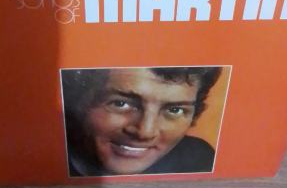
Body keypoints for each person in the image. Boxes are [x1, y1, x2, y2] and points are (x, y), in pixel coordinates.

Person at [62, 66, 222, 176]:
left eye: (174, 110)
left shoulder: (199, 158)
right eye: (120, 103)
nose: (145, 132)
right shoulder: (53, 160)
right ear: (80, 103)